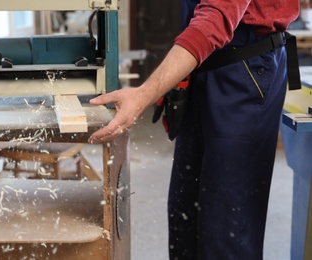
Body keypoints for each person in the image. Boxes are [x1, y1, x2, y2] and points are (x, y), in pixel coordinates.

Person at [88, 1, 299, 259]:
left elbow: (216, 18)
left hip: (244, 69)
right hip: (205, 65)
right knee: (185, 221)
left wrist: (143, 95)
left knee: (227, 227)